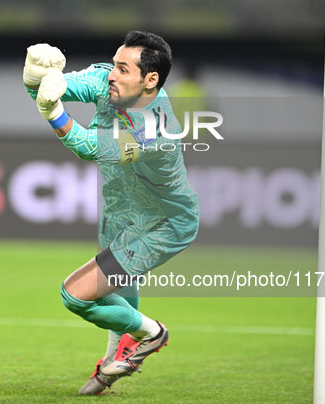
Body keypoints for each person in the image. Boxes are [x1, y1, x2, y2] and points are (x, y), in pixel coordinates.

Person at [23, 30, 199, 395]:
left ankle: (152, 333)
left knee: (76, 295)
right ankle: (108, 370)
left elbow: (90, 147)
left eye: (123, 69)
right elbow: (51, 90)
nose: (112, 75)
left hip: (161, 227)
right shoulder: (107, 80)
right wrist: (35, 76)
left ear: (150, 80)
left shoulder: (157, 131)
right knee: (118, 288)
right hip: (120, 214)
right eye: (114, 64)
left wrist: (52, 111)